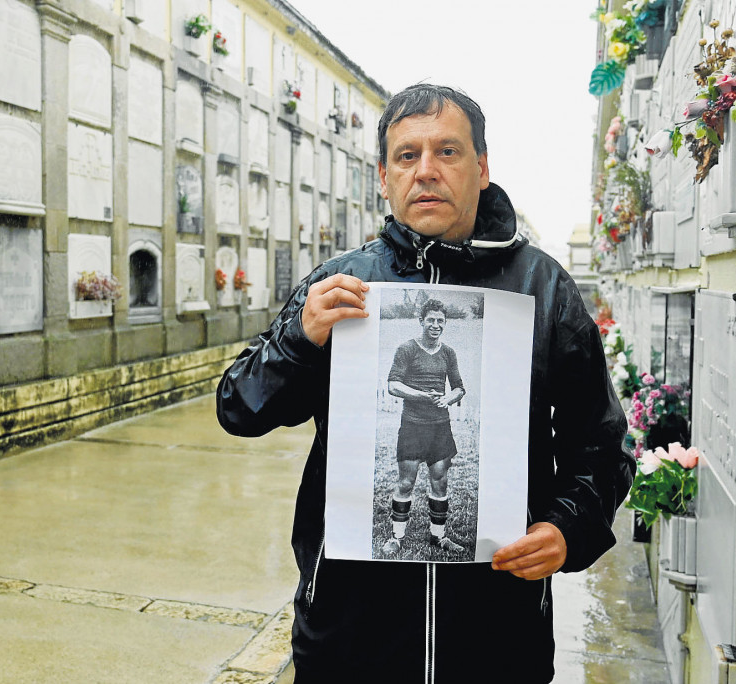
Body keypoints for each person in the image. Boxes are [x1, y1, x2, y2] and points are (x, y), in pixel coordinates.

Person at [217, 83, 634, 682]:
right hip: (348, 639)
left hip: (497, 642)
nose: (427, 171)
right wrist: (299, 341)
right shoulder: (341, 285)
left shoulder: (542, 288)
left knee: (439, 480)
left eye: (448, 152)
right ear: (384, 177)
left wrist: (570, 527)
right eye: (407, 156)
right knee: (405, 483)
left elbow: (601, 444)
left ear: (482, 169)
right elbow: (238, 406)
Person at [383, 298, 466, 556]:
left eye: (440, 321)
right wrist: (421, 395)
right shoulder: (406, 349)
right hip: (413, 425)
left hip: (440, 427)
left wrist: (448, 398)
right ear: (421, 321)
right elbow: (393, 385)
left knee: (440, 482)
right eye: (431, 320)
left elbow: (459, 387)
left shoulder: (448, 352)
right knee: (406, 482)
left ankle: (438, 536)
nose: (436, 325)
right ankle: (397, 537)